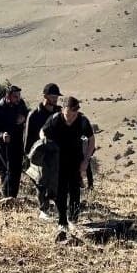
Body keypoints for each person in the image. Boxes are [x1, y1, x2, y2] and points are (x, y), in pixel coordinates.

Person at [41, 96, 95, 241]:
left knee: (75, 190)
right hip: (58, 160)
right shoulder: (55, 119)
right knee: (61, 191)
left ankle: (73, 219)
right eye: (68, 114)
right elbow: (43, 131)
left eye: (74, 114)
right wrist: (44, 141)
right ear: (63, 110)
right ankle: (62, 221)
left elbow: (91, 140)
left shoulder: (82, 120)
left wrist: (86, 161)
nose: (70, 118)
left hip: (76, 160)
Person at [24, 83, 62, 221]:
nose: (55, 99)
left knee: (57, 183)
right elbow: (28, 139)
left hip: (56, 154)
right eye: (52, 96)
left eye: (56, 97)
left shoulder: (59, 113)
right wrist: (29, 157)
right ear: (45, 96)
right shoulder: (34, 115)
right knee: (41, 183)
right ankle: (43, 210)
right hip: (39, 155)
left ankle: (57, 207)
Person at [0, 85, 29, 198]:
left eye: (19, 96)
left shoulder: (20, 104)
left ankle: (13, 197)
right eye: (15, 96)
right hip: (2, 144)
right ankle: (6, 198)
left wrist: (24, 118)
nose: (18, 99)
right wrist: (1, 135)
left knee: (17, 170)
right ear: (8, 96)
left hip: (17, 142)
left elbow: (27, 113)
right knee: (8, 170)